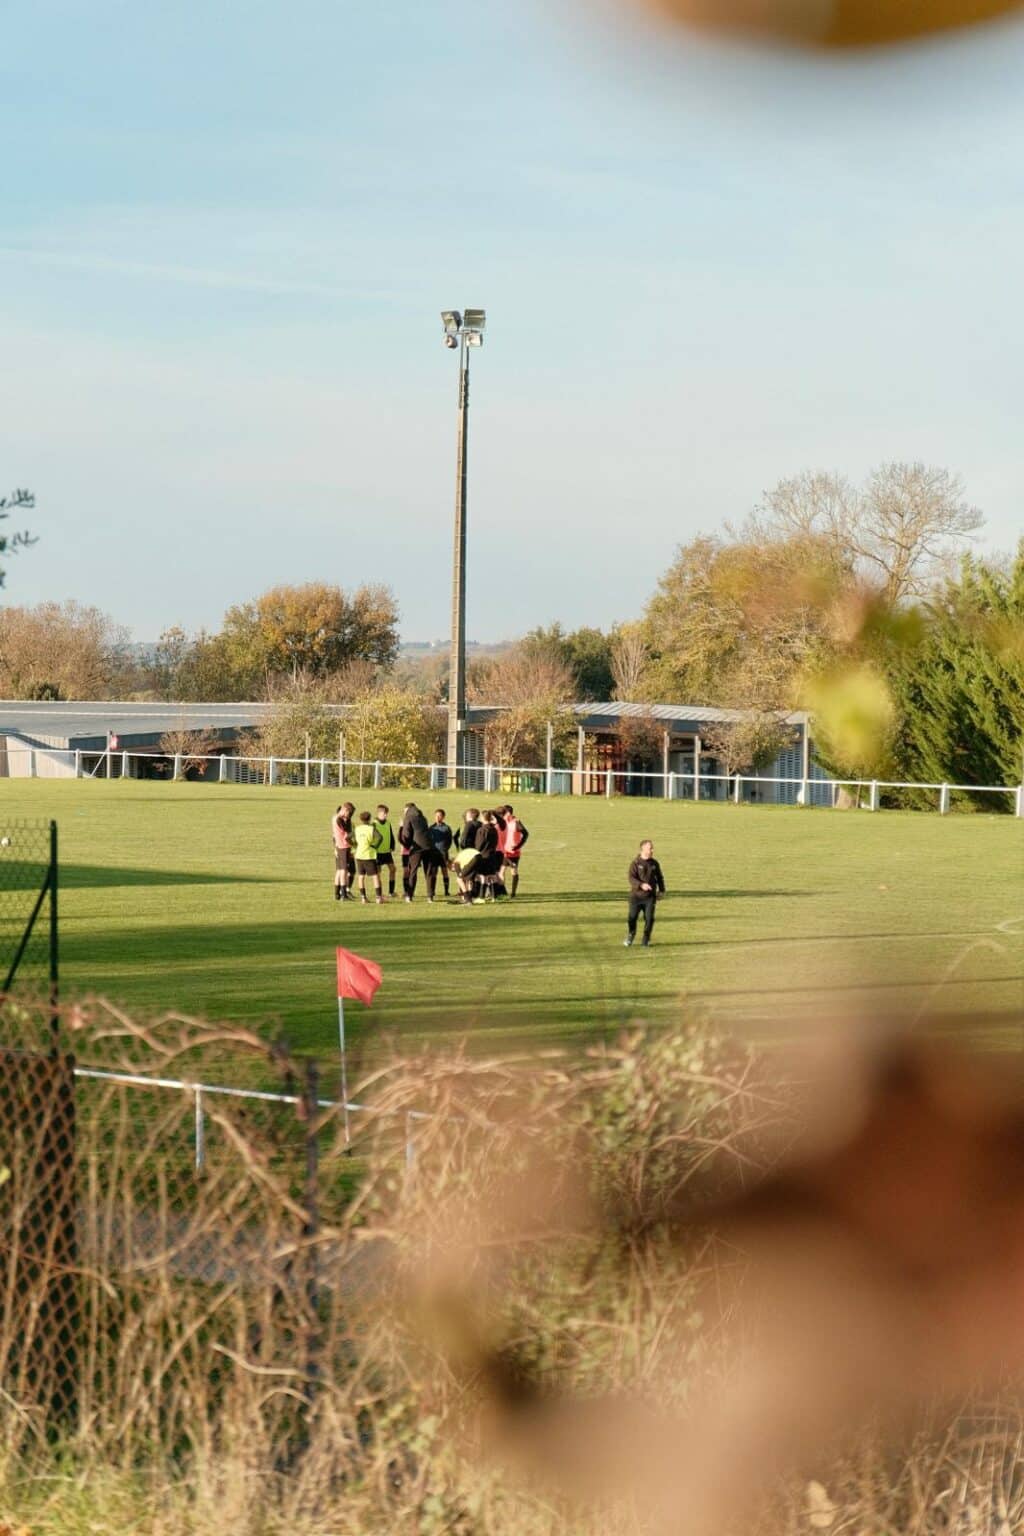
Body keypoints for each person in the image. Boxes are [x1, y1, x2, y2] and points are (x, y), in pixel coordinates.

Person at [625, 839, 665, 948]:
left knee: (649, 919)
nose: (652, 850)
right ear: (643, 849)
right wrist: (641, 885)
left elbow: (660, 877)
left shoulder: (654, 863)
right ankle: (631, 934)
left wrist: (661, 890)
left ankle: (645, 940)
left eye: (652, 848)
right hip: (636, 897)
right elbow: (631, 878)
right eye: (650, 848)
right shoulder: (635, 863)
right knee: (632, 918)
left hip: (650, 898)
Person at [400, 802, 437, 902]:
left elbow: (406, 835)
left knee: (413, 871)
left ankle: (409, 895)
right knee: (429, 872)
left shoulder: (408, 817)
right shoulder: (423, 817)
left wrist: (406, 844)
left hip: (416, 847)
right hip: (428, 846)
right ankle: (430, 896)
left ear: (407, 809)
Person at [352, 812, 384, 904]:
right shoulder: (371, 828)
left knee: (361, 877)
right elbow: (380, 838)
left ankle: (363, 898)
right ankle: (378, 898)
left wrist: (355, 845)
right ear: (369, 819)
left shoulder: (357, 829)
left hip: (359, 855)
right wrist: (375, 846)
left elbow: (348, 838)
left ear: (361, 819)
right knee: (375, 876)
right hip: (369, 855)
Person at [500, 803, 529, 899]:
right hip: (504, 851)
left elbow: (526, 834)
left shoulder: (516, 822)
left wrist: (518, 846)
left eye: (503, 813)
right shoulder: (503, 822)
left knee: (514, 871)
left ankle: (513, 893)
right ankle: (502, 892)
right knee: (501, 871)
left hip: (513, 852)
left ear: (508, 813)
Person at [473, 811, 502, 903]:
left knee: (483, 876)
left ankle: (481, 897)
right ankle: (494, 897)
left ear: (482, 818)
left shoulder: (482, 830)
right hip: (492, 854)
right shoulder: (494, 829)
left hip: (484, 855)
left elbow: (479, 845)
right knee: (492, 876)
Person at [332, 802, 356, 901]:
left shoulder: (335, 817)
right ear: (345, 810)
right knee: (343, 871)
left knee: (339, 871)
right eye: (349, 813)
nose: (349, 816)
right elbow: (347, 834)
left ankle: (337, 894)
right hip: (344, 847)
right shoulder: (340, 819)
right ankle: (343, 894)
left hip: (339, 846)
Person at [374, 804, 398, 899]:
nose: (386, 815)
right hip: (378, 852)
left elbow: (391, 835)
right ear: (379, 813)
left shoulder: (388, 823)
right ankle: (380, 894)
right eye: (384, 813)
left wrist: (392, 845)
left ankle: (391, 892)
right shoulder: (374, 823)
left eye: (386, 813)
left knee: (393, 869)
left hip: (387, 852)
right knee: (378, 873)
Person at [428, 809, 454, 897]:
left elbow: (450, 840)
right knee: (433, 873)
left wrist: (445, 849)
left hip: (443, 853)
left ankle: (446, 891)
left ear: (443, 817)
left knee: (445, 871)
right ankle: (433, 891)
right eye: (436, 816)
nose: (438, 817)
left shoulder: (446, 828)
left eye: (439, 816)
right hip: (433, 854)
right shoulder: (431, 828)